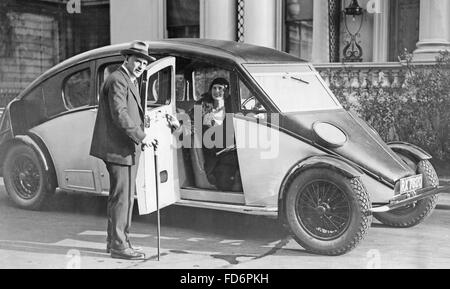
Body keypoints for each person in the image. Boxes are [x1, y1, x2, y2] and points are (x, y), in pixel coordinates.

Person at [90, 40, 158, 260]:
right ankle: (120, 246)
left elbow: (127, 111)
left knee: (118, 197)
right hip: (121, 150)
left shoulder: (126, 79)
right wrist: (141, 137)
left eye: (144, 63)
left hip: (122, 149)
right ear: (126, 59)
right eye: (137, 61)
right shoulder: (119, 80)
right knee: (124, 199)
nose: (140, 66)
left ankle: (114, 242)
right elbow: (120, 114)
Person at [189, 77, 242, 191]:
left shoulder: (232, 107)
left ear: (226, 91)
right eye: (214, 88)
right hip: (212, 155)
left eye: (220, 88)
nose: (217, 91)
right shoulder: (203, 107)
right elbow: (191, 122)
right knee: (224, 178)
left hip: (231, 152)